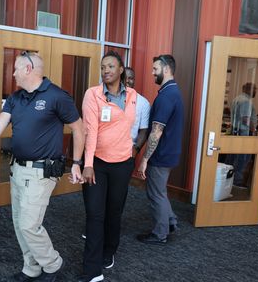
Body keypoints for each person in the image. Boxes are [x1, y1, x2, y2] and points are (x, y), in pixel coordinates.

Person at [0, 51, 85, 282]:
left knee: (29, 225)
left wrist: (77, 163)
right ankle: (31, 268)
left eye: (16, 68)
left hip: (41, 171)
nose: (13, 73)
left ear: (28, 69)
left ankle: (53, 266)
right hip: (17, 169)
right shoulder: (15, 98)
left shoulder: (57, 96)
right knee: (20, 224)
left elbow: (79, 129)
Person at [77, 51, 138, 282]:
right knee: (94, 214)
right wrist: (88, 164)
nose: (106, 71)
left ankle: (109, 250)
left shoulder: (133, 96)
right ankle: (91, 270)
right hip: (97, 164)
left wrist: (133, 152)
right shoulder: (92, 95)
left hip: (122, 164)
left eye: (111, 66)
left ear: (121, 70)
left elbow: (132, 127)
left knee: (114, 212)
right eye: (103, 67)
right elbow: (90, 131)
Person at [137, 54, 184, 245]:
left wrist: (145, 159)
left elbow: (156, 131)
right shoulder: (173, 92)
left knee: (155, 193)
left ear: (166, 69)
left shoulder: (166, 96)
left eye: (155, 69)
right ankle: (171, 221)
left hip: (161, 154)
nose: (152, 73)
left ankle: (160, 234)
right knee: (160, 191)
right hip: (170, 152)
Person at [230, 82, 258, 187]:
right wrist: (254, 130)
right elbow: (246, 119)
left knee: (233, 156)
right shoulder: (246, 101)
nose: (255, 92)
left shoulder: (237, 99)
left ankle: (229, 179)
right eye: (254, 89)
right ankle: (237, 181)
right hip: (244, 133)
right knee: (243, 158)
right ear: (249, 90)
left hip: (235, 131)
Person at [124, 67, 151, 153]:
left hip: (128, 153)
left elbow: (144, 130)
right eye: (124, 78)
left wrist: (135, 150)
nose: (127, 81)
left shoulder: (143, 103)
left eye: (130, 78)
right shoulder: (110, 98)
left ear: (134, 80)